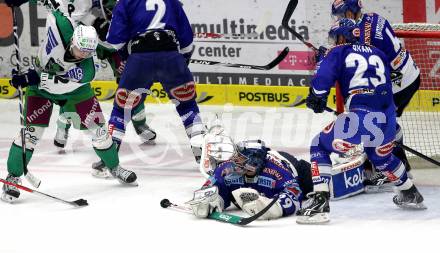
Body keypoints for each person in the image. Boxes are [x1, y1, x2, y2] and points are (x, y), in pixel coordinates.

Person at [2, 8, 137, 203]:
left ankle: (113, 167)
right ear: (72, 39)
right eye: (80, 48)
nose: (83, 54)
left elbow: (53, 82)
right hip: (41, 90)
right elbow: (53, 7)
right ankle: (13, 177)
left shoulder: (87, 70)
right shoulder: (61, 25)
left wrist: (29, 78)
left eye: (88, 52)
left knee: (99, 133)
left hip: (74, 91)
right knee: (31, 134)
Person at [297, 18, 426, 224]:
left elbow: (321, 84)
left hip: (361, 116)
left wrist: (316, 96)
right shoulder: (380, 54)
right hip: (387, 117)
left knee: (319, 144)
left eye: (336, 38)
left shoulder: (338, 52)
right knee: (382, 159)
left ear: (343, 36)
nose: (334, 43)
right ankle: (410, 193)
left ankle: (319, 204)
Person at [330, 0, 420, 188]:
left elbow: (358, 65)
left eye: (341, 15)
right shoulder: (373, 18)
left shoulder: (362, 36)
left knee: (374, 119)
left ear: (351, 12)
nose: (339, 19)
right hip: (409, 73)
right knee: (382, 120)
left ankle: (393, 168)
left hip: (399, 84)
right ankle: (400, 166)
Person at [104, 0, 206, 167]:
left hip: (139, 60)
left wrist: (124, 59)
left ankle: (108, 158)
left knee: (121, 111)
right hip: (171, 57)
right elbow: (186, 40)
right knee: (188, 107)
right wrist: (181, 61)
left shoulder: (124, 2)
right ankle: (201, 151)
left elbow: (115, 42)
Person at [187, 135, 311, 220]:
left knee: (318, 183)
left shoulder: (276, 169)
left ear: (253, 162)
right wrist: (209, 198)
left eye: (240, 157)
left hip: (292, 165)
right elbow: (211, 185)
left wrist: (275, 207)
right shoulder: (227, 167)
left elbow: (295, 191)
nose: (234, 160)